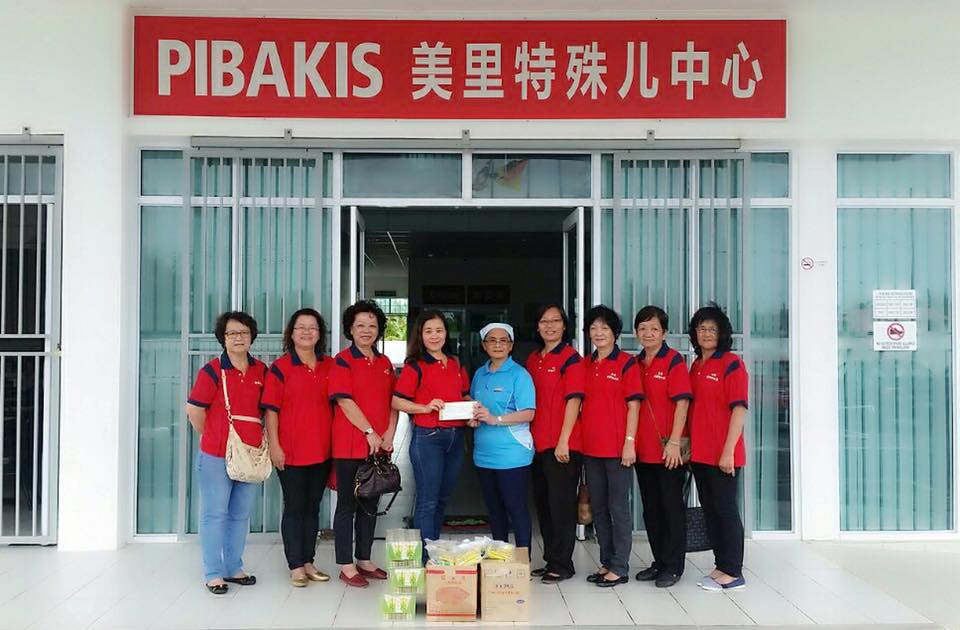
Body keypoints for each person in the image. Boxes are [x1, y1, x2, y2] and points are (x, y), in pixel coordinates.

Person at [186, 311, 266, 594]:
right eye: (232, 333)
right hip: (216, 456)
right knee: (215, 514)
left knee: (240, 514)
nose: (238, 338)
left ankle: (233, 567)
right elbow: (194, 410)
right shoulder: (211, 371)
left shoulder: (261, 371)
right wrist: (213, 435)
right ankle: (213, 573)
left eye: (244, 332)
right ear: (223, 338)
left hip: (250, 455)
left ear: (251, 336)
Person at [261, 308, 334, 588]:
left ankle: (309, 561)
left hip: (322, 450)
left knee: (313, 508)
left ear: (319, 334)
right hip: (290, 451)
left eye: (312, 327)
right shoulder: (280, 368)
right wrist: (275, 446)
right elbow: (271, 411)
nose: (306, 332)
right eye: (301, 327)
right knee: (294, 507)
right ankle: (295, 565)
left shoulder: (329, 365)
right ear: (291, 334)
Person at [329, 300, 398, 588]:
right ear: (350, 329)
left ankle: (365, 559)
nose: (366, 330)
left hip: (378, 445)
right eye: (360, 325)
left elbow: (394, 401)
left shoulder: (384, 363)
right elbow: (344, 400)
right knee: (348, 504)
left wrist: (390, 433)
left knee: (371, 503)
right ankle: (346, 565)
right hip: (350, 444)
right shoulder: (342, 360)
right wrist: (369, 431)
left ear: (379, 329)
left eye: (372, 325)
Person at [392, 310, 471, 558]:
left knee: (443, 499)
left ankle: (434, 552)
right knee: (428, 500)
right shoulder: (415, 366)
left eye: (439, 330)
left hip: (456, 438)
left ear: (446, 333)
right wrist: (425, 408)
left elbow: (464, 395)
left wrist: (472, 410)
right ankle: (426, 559)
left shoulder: (456, 363)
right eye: (428, 331)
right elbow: (397, 401)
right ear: (421, 335)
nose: (434, 336)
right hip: (428, 439)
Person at [580, 305, 643, 588]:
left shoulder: (626, 363)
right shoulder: (586, 364)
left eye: (604, 328)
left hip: (617, 449)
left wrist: (630, 443)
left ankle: (620, 566)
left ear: (615, 333)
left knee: (618, 509)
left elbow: (634, 405)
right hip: (591, 448)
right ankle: (606, 561)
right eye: (593, 328)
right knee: (599, 508)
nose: (598, 332)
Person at [687, 303, 749, 592]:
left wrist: (728, 451)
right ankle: (721, 564)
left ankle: (734, 572)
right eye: (701, 329)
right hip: (700, 454)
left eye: (712, 329)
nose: (706, 333)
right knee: (711, 510)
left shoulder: (732, 364)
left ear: (723, 333)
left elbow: (739, 409)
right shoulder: (696, 366)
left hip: (723, 454)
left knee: (725, 510)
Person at [632, 305, 693, 588]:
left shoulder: (673, 361)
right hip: (643, 449)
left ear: (664, 333)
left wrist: (674, 442)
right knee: (651, 509)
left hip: (668, 449)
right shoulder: (635, 363)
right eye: (643, 328)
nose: (648, 333)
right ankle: (659, 561)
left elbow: (682, 402)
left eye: (654, 329)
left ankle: (674, 566)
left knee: (671, 508)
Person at [525, 303, 584, 583]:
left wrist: (563, 440)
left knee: (561, 505)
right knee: (544, 504)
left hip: (562, 445)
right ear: (537, 327)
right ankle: (551, 557)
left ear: (564, 325)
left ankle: (563, 563)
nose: (550, 326)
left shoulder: (571, 358)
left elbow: (574, 400)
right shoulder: (533, 359)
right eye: (544, 321)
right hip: (536, 443)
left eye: (555, 321)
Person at [470, 322, 537, 552]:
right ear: (483, 345)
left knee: (515, 508)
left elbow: (528, 413)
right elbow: (474, 406)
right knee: (494, 510)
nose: (497, 345)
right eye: (492, 340)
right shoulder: (479, 374)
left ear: (511, 345)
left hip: (512, 454)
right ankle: (499, 558)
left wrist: (495, 419)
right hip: (483, 454)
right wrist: (472, 418)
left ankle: (523, 559)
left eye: (503, 340)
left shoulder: (520, 375)